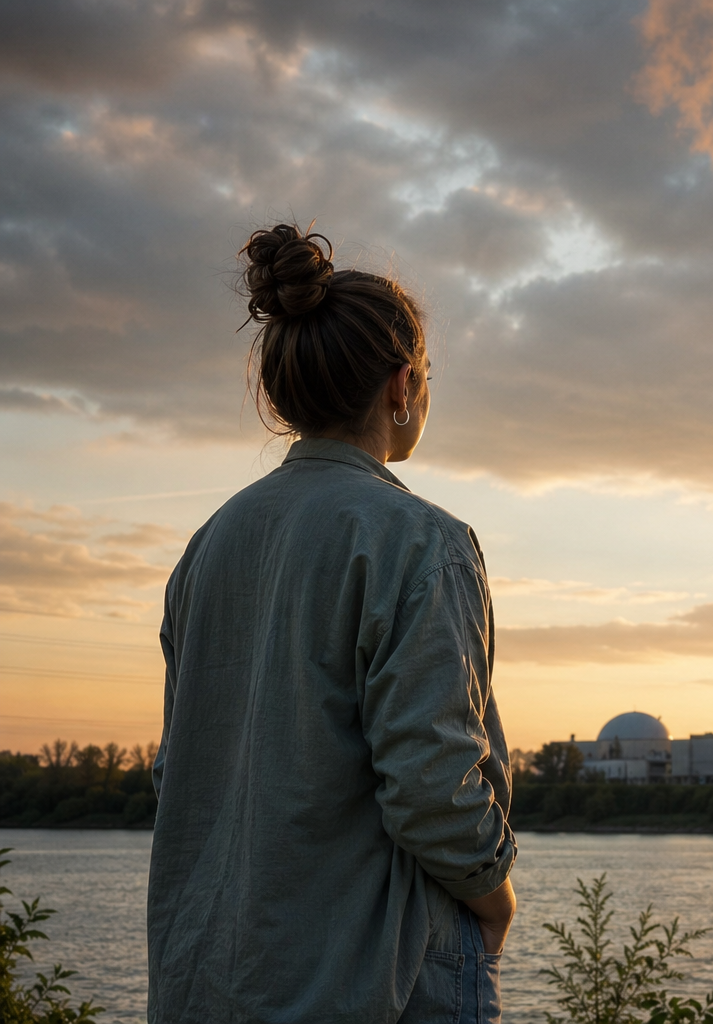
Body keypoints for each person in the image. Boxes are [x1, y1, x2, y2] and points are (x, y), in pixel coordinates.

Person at [149, 223, 516, 1024]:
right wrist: (497, 898)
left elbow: (176, 769)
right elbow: (431, 780)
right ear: (402, 385)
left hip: (213, 974)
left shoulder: (210, 544)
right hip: (381, 971)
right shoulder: (423, 541)